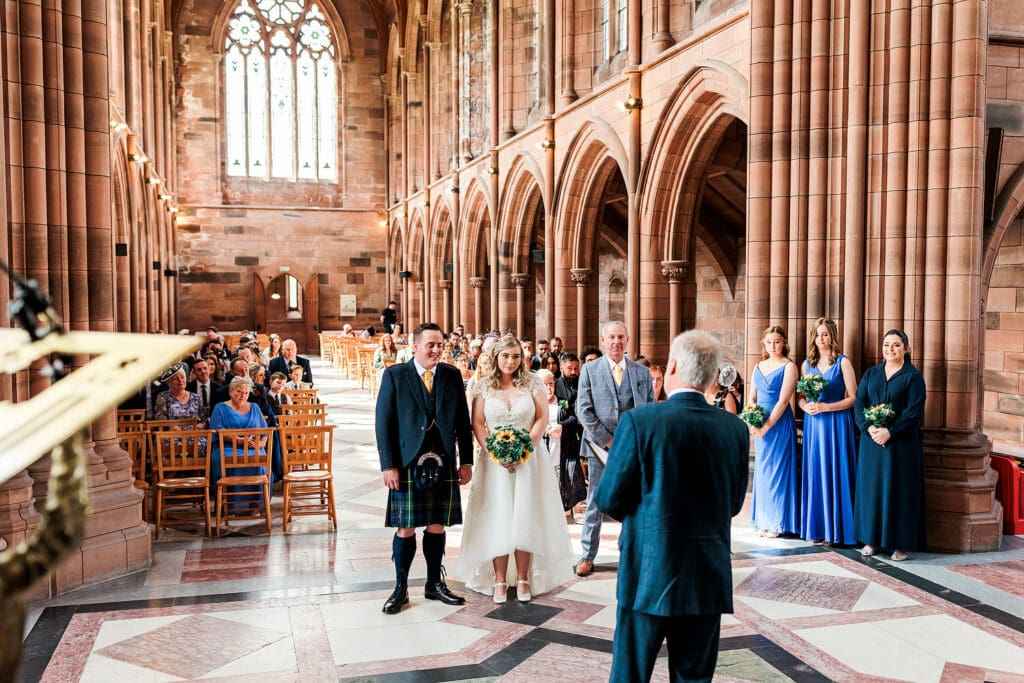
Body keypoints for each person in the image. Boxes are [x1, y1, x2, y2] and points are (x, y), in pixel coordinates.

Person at [595, 330, 749, 683]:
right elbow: (735, 503)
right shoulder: (735, 429)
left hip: (648, 570)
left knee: (630, 675)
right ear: (711, 376)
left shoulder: (641, 422)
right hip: (706, 576)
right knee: (694, 677)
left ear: (674, 365)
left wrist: (647, 517)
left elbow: (608, 499)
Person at [455, 337, 573, 603]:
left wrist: (524, 448)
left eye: (516, 356)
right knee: (498, 515)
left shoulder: (532, 383)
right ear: (496, 357)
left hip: (528, 459)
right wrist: (495, 451)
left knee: (524, 514)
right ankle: (498, 579)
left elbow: (542, 417)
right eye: (506, 356)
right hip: (494, 462)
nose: (511, 361)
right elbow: (478, 423)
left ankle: (522, 578)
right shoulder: (484, 386)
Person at [374, 322, 475, 614]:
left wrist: (466, 460)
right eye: (430, 345)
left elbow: (461, 422)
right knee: (405, 528)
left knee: (436, 524)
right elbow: (384, 423)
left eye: (440, 345)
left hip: (443, 460)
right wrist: (388, 465)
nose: (436, 350)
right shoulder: (395, 375)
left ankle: (434, 584)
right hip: (406, 463)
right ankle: (401, 588)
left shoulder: (452, 375)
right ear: (414, 346)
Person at [575, 321, 655, 577]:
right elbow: (584, 411)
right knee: (596, 501)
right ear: (603, 340)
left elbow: (650, 408)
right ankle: (587, 555)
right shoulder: (590, 369)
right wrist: (609, 441)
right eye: (611, 337)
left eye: (621, 337)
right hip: (601, 448)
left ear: (628, 340)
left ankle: (637, 555)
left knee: (636, 501)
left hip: (634, 448)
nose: (616, 342)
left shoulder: (641, 372)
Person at [854, 329, 926, 561]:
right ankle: (871, 539)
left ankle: (900, 544)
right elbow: (859, 401)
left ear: (906, 348)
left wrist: (890, 431)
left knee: (900, 490)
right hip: (872, 442)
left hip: (901, 444)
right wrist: (868, 427)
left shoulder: (913, 376)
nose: (890, 349)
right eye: (887, 345)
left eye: (896, 345)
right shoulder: (872, 373)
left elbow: (913, 411)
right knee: (872, 490)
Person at [799, 318, 858, 546]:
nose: (821, 339)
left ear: (832, 336)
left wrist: (826, 407)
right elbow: (801, 397)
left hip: (836, 423)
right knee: (816, 472)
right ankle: (816, 527)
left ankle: (836, 531)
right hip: (814, 425)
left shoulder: (843, 363)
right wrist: (807, 407)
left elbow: (853, 398)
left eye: (825, 334)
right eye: (817, 335)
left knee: (834, 471)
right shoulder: (807, 365)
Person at [748, 325, 800, 538]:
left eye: (777, 341)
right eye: (769, 342)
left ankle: (777, 522)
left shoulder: (789, 366)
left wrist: (766, 425)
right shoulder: (758, 366)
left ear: (784, 343)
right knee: (762, 470)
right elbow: (751, 397)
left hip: (778, 424)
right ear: (764, 344)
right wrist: (752, 421)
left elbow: (784, 400)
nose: (773, 346)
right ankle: (763, 519)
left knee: (778, 471)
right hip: (760, 424)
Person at [209, 376, 269, 495]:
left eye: (246, 393)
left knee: (260, 460)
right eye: (239, 391)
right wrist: (240, 441)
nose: (243, 395)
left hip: (253, 447)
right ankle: (230, 504)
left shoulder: (255, 407)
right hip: (227, 447)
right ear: (231, 391)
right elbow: (218, 430)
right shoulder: (220, 407)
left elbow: (265, 430)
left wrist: (261, 444)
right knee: (223, 459)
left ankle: (255, 504)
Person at [153, 363, 204, 427]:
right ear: (169, 382)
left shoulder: (196, 397)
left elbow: (204, 419)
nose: (180, 380)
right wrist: (173, 428)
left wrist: (199, 427)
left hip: (195, 434)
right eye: (176, 379)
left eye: (182, 377)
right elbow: (160, 418)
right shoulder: (162, 397)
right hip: (172, 434)